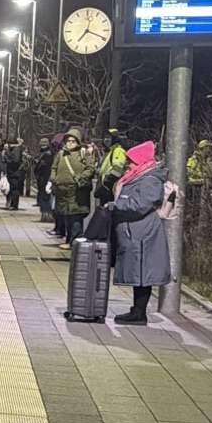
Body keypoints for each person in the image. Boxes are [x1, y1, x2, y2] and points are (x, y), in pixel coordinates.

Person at [108, 140, 171, 324]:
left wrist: (116, 205)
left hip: (142, 233)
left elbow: (140, 205)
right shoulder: (139, 176)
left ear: (142, 161)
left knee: (143, 273)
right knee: (138, 272)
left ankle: (139, 313)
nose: (128, 164)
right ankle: (136, 310)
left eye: (132, 161)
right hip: (135, 231)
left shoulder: (150, 180)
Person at [50, 130, 95, 246]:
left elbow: (90, 169)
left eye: (73, 141)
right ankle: (69, 240)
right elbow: (54, 167)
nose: (70, 143)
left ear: (78, 142)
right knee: (66, 216)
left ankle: (74, 242)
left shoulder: (84, 153)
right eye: (68, 140)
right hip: (62, 191)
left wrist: (81, 177)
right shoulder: (61, 154)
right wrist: (53, 179)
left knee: (75, 217)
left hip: (77, 191)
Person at [96, 128, 129, 207]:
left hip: (110, 188)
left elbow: (117, 169)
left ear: (114, 139)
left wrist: (108, 181)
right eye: (105, 138)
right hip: (106, 188)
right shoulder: (110, 151)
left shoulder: (118, 150)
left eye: (109, 138)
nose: (106, 140)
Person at [32, 137, 56, 222]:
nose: (42, 146)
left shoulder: (48, 154)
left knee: (45, 197)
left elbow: (45, 166)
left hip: (45, 178)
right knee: (44, 196)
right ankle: (46, 214)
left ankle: (47, 215)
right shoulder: (46, 153)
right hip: (43, 178)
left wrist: (38, 163)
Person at [0, 140, 27, 210]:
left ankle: (14, 205)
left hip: (15, 172)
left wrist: (6, 156)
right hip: (14, 172)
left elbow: (15, 161)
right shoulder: (16, 149)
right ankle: (12, 203)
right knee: (12, 188)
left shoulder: (16, 150)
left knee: (14, 188)